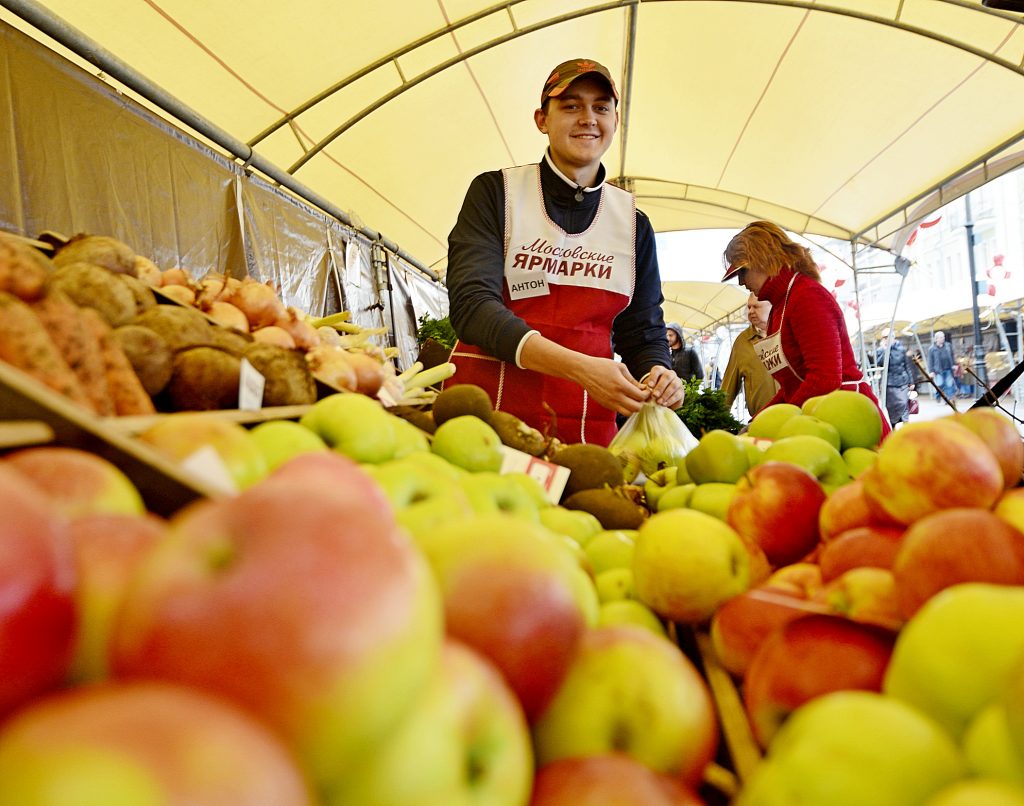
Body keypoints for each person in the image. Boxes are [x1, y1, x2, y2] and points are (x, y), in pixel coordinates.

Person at [445, 58, 683, 446]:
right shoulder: (496, 193)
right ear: (542, 119)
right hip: (484, 421)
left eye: (601, 107)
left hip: (585, 434)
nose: (588, 118)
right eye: (571, 106)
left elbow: (642, 331)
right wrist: (582, 369)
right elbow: (472, 307)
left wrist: (659, 371)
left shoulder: (633, 224)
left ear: (615, 123)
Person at [721, 220, 891, 438]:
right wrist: (760, 420)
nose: (741, 282)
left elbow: (825, 378)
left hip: (850, 420)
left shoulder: (807, 296)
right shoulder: (779, 308)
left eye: (742, 272)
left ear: (761, 260)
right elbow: (790, 386)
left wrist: (778, 424)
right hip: (818, 420)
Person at [721, 293, 778, 418]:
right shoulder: (742, 342)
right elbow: (728, 386)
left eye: (756, 307)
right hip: (760, 420)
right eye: (749, 307)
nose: (751, 311)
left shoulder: (787, 332)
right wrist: (719, 417)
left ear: (772, 306)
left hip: (795, 415)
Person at [875, 329, 914, 427]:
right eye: (885, 338)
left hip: (902, 381)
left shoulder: (901, 349)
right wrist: (885, 350)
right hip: (889, 382)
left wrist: (911, 381)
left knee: (903, 403)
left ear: (893, 338)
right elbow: (879, 363)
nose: (887, 339)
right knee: (892, 406)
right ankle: (893, 425)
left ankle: (906, 425)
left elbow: (907, 365)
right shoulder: (880, 351)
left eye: (889, 337)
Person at [927, 331, 956, 400]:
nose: (943, 338)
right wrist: (931, 371)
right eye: (941, 337)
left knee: (949, 384)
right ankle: (938, 395)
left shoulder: (948, 345)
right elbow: (930, 361)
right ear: (936, 339)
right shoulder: (932, 349)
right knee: (940, 384)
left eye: (943, 337)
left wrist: (954, 364)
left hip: (948, 368)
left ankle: (948, 399)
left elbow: (952, 356)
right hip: (938, 370)